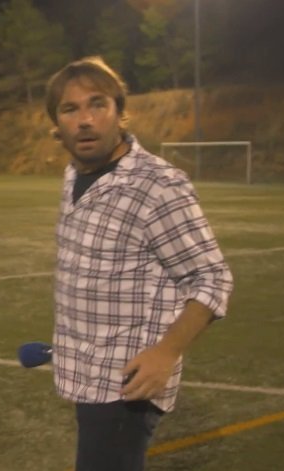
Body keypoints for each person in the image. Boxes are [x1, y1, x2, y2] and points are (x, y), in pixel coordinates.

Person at [46, 56, 234, 471]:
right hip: (85, 374)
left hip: (126, 386)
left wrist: (165, 353)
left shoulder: (157, 185)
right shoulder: (74, 175)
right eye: (70, 108)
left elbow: (212, 278)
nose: (85, 120)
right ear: (56, 125)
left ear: (119, 111)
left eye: (97, 104)